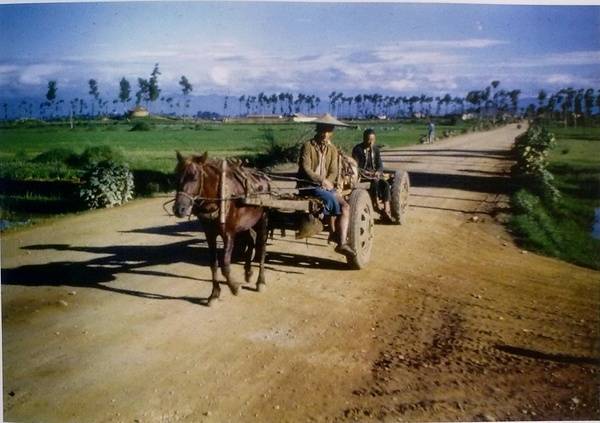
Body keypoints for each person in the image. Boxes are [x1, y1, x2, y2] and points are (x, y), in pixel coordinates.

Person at [297, 114, 355, 257]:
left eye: (328, 131)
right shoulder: (307, 146)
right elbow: (306, 168)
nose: (325, 134)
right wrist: (321, 180)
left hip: (326, 186)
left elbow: (334, 171)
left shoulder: (333, 150)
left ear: (332, 133)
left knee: (346, 207)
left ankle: (341, 243)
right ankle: (333, 233)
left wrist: (328, 182)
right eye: (323, 130)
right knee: (330, 198)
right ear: (317, 130)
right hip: (309, 186)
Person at [352, 128, 392, 221]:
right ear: (364, 139)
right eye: (368, 140)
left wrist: (378, 171)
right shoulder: (357, 149)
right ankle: (376, 205)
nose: (370, 142)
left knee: (385, 184)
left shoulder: (376, 150)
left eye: (372, 140)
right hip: (362, 175)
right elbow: (355, 166)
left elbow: (380, 165)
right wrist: (364, 172)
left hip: (375, 175)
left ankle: (386, 209)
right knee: (374, 183)